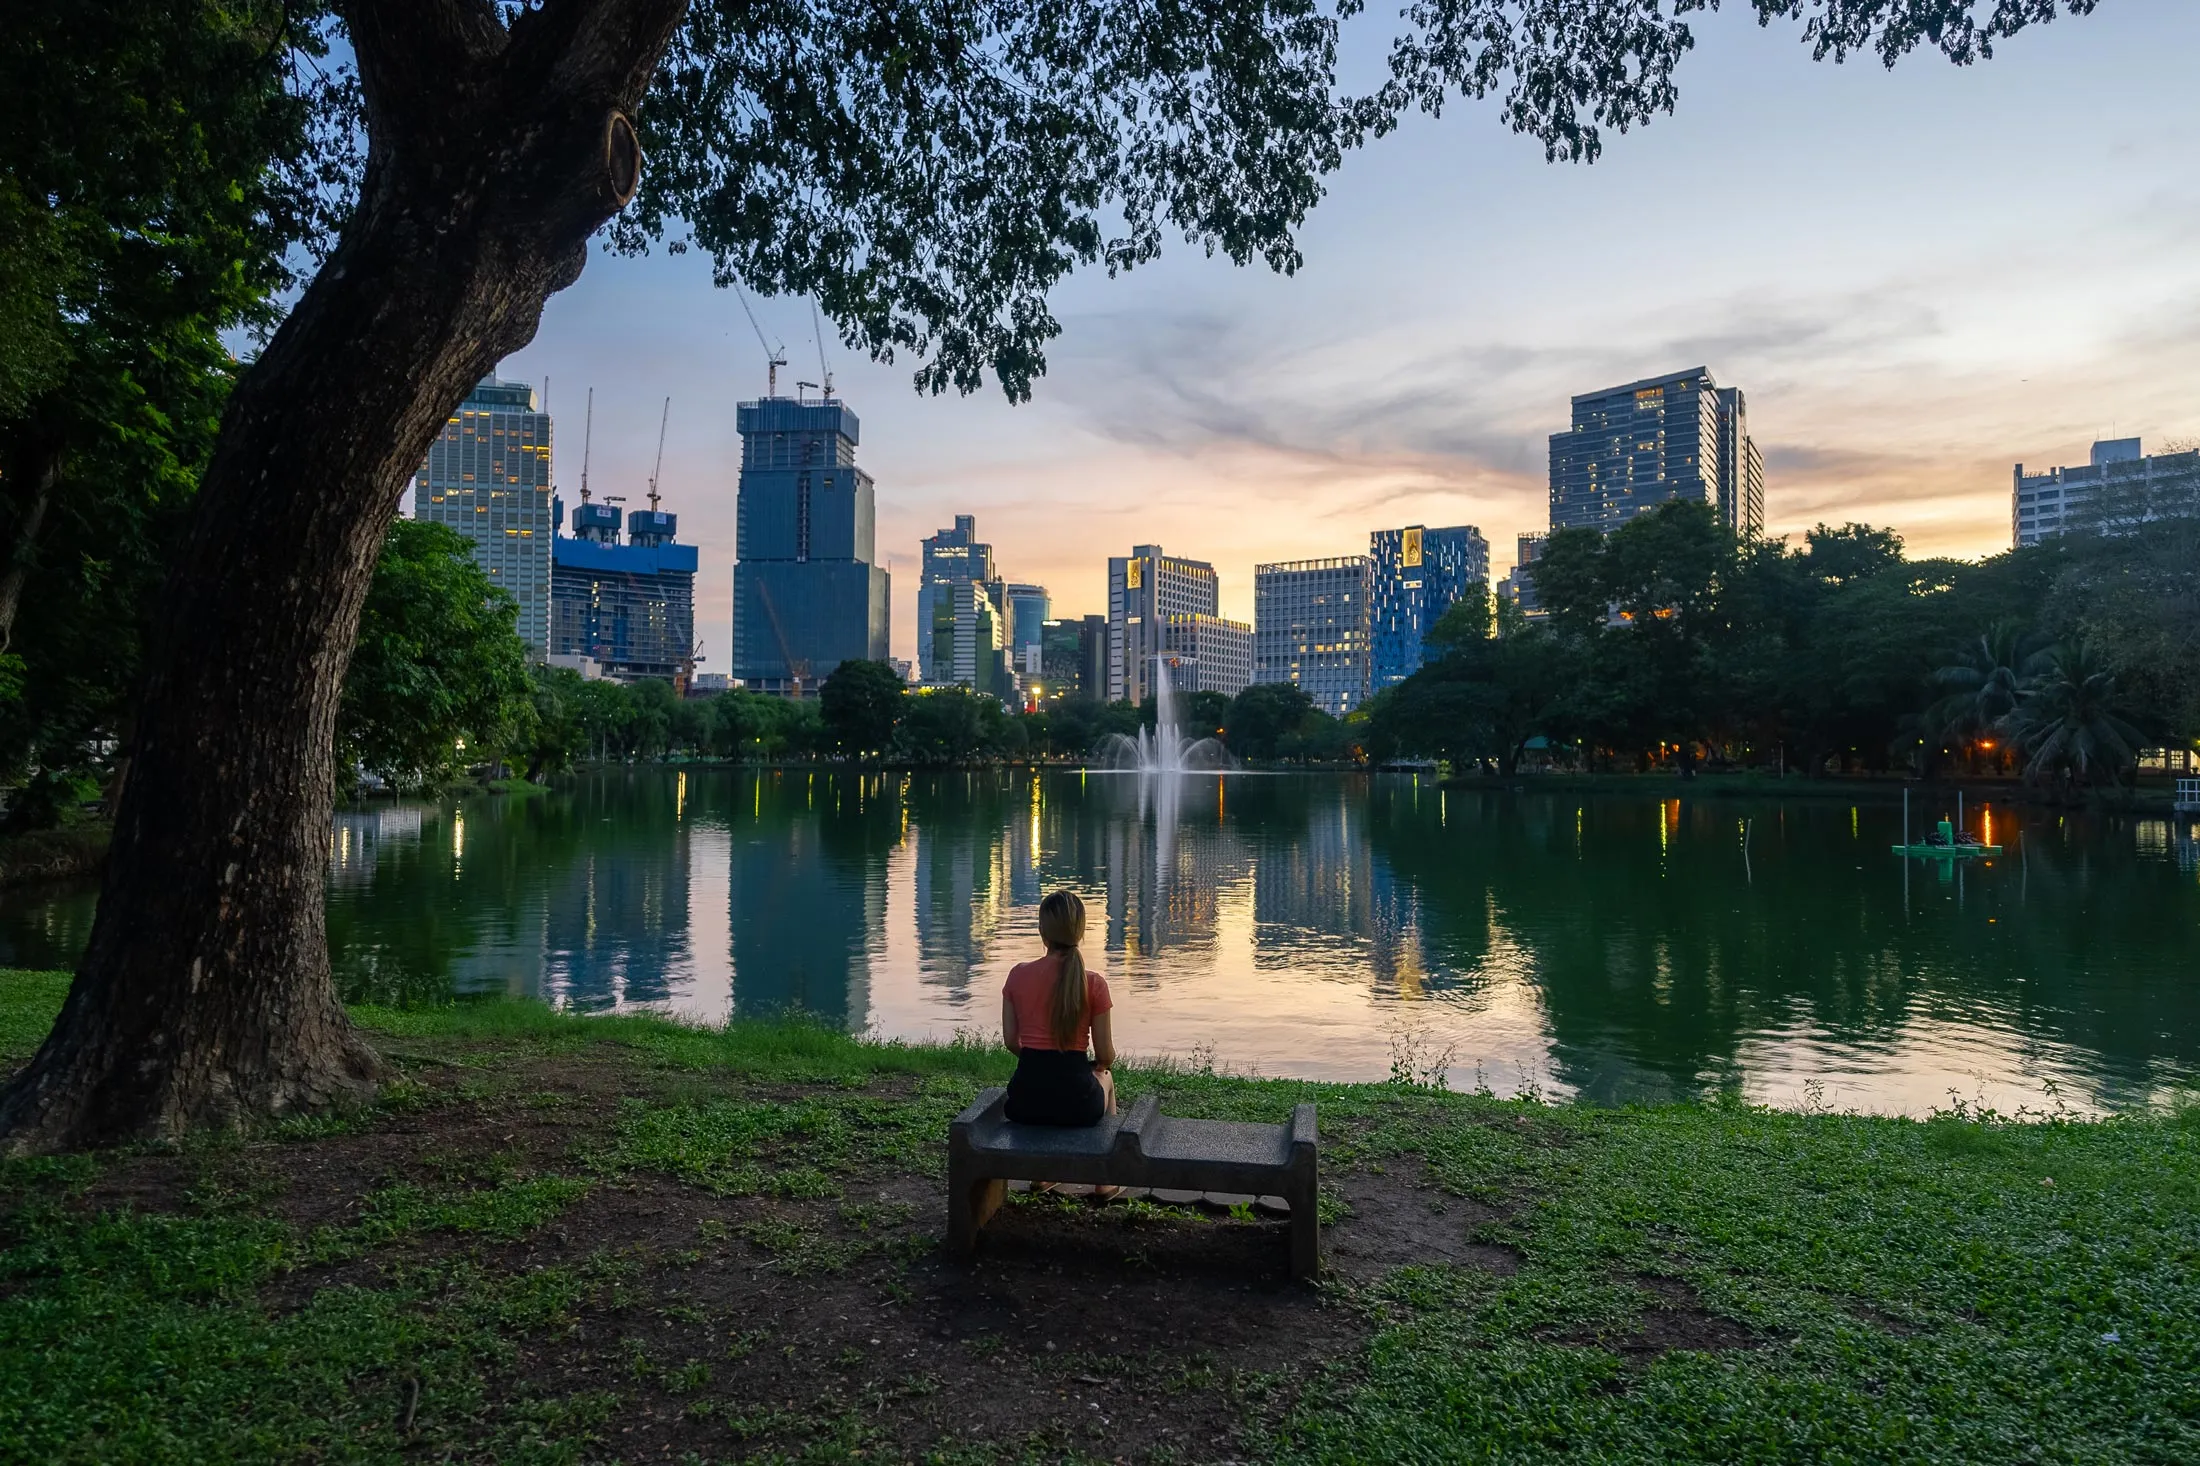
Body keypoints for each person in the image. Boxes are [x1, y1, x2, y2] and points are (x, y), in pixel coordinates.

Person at [1001, 889, 1116, 1129]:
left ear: (1042, 931)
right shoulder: (1095, 984)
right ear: (1080, 932)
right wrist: (1096, 1067)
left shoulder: (1017, 975)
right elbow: (1105, 1056)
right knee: (1106, 1077)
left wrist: (1040, 1064)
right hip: (1079, 1105)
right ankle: (1109, 1150)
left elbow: (1011, 1042)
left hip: (1024, 1102)